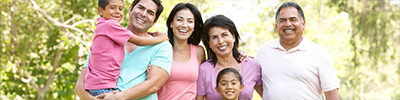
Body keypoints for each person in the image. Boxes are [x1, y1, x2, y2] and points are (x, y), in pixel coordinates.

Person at [75, 0, 172, 99]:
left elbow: (153, 85)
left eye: (150, 13)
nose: (143, 14)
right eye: (141, 8)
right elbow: (80, 86)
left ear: (154, 21)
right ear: (130, 10)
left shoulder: (161, 46)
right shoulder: (104, 39)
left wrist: (118, 97)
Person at [256, 2, 340, 100]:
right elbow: (257, 83)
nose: (288, 24)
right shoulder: (264, 51)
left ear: (303, 24)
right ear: (276, 27)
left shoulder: (319, 52)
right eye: (282, 20)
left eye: (293, 19)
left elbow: (331, 94)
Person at [196, 15, 263, 100]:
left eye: (224, 35)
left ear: (233, 37)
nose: (220, 41)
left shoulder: (252, 65)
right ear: (209, 43)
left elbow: (266, 95)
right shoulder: (204, 69)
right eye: (214, 37)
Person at [156, 3, 205, 100]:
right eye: (179, 20)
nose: (184, 25)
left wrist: (240, 54)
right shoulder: (160, 49)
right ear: (171, 23)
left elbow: (205, 82)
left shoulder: (199, 51)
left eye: (190, 21)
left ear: (194, 26)